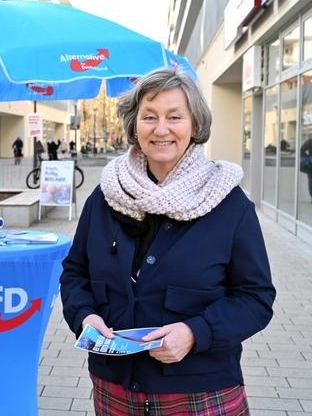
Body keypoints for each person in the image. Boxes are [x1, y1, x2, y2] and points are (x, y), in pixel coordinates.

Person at [60, 69, 275, 415]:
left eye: (174, 117)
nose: (161, 129)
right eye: (149, 117)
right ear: (134, 126)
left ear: (195, 125)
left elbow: (256, 298)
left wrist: (195, 332)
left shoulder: (229, 204)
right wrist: (84, 316)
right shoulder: (104, 198)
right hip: (114, 386)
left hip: (199, 390)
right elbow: (74, 272)